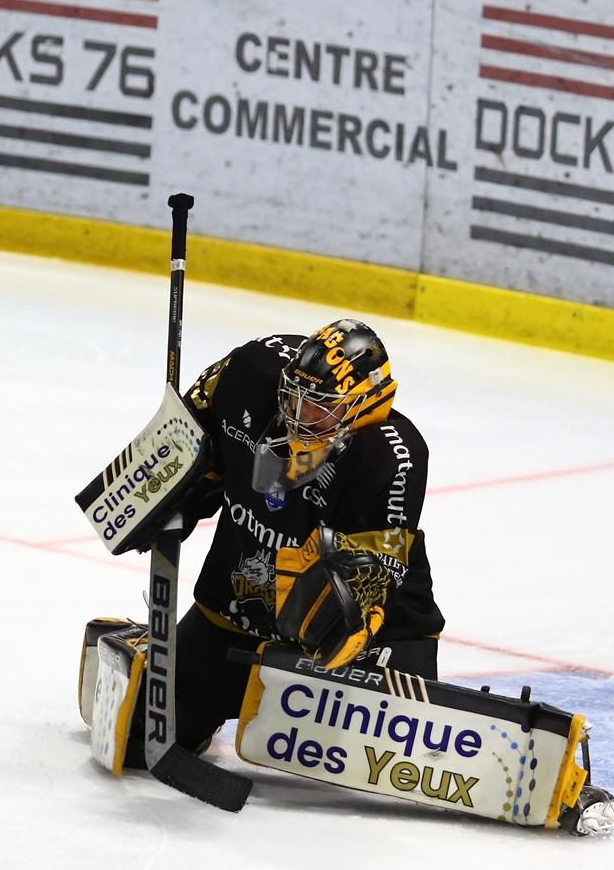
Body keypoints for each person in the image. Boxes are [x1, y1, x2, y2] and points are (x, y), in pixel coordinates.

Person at [133, 317, 444, 762]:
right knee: (144, 736)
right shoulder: (251, 371)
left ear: (364, 404)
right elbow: (186, 430)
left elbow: (368, 587)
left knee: (403, 761)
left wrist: (343, 620)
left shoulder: (390, 456)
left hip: (377, 630)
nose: (297, 415)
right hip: (238, 609)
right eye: (293, 398)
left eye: (317, 407)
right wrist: (171, 480)